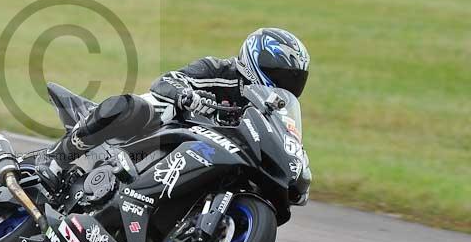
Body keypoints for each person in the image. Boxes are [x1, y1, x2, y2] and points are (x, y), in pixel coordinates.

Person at [39, 27, 310, 176]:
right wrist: (187, 96)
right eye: (280, 75)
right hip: (159, 134)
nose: (286, 85)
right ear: (255, 61)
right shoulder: (218, 70)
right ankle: (56, 159)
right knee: (142, 107)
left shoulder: (268, 110)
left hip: (199, 157)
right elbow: (166, 81)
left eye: (294, 80)